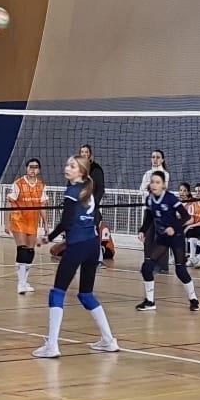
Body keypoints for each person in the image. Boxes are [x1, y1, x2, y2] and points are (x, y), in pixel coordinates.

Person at [34, 153, 118, 358]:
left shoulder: (72, 192)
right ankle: (109, 340)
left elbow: (66, 222)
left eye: (72, 166)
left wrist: (48, 238)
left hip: (78, 246)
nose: (67, 168)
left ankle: (52, 345)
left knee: (57, 293)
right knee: (86, 294)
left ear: (81, 172)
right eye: (67, 164)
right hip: (92, 246)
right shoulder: (88, 190)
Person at [136, 170, 199, 312]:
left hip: (176, 237)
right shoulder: (149, 199)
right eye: (152, 182)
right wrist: (142, 230)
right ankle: (150, 301)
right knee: (147, 267)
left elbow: (186, 216)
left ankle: (194, 300)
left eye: (157, 182)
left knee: (180, 271)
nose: (154, 185)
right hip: (163, 238)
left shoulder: (170, 198)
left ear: (163, 185)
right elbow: (149, 218)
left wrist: (173, 227)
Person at [8, 158, 47, 295]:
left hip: (32, 222)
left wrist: (46, 225)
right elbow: (9, 203)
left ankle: (24, 281)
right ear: (26, 168)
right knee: (22, 250)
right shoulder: (18, 183)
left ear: (39, 170)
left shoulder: (41, 185)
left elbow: (42, 206)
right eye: (31, 167)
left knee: (30, 252)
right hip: (18, 220)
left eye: (36, 167)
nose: (33, 169)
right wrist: (7, 223)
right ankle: (20, 283)